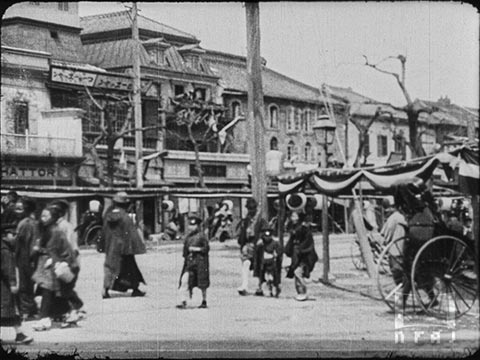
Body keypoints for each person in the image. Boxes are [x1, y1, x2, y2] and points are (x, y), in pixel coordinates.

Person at [31, 205, 79, 331]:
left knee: (48, 291)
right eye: (42, 215)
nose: (43, 218)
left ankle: (44, 318)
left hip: (56, 264)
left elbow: (56, 250)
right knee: (56, 292)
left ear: (53, 218)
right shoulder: (46, 229)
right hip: (50, 265)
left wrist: (51, 259)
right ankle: (70, 313)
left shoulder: (55, 231)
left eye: (46, 216)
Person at [102, 192, 146, 299]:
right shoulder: (125, 217)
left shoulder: (107, 216)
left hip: (111, 247)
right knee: (131, 269)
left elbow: (104, 232)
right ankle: (135, 288)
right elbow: (131, 234)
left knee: (110, 268)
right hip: (124, 248)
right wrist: (136, 248)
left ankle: (105, 289)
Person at [49, 199, 85, 325]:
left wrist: (68, 264)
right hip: (62, 261)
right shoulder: (56, 226)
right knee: (62, 288)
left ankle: (73, 310)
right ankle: (70, 309)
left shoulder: (65, 226)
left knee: (64, 289)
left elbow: (72, 247)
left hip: (68, 262)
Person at [1, 226, 34, 344]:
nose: (15, 237)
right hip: (4, 288)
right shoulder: (4, 251)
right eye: (12, 234)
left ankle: (19, 334)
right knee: (10, 311)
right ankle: (19, 334)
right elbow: (8, 269)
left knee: (7, 312)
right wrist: (12, 284)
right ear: (4, 235)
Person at [236, 197, 268, 296]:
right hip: (248, 244)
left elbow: (267, 232)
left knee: (259, 266)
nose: (251, 211)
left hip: (258, 245)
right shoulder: (245, 221)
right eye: (249, 209)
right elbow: (241, 234)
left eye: (253, 208)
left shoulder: (261, 220)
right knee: (245, 264)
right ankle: (244, 286)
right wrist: (242, 244)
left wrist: (262, 239)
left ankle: (260, 287)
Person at [13, 197, 39, 321]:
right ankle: (31, 309)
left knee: (24, 286)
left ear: (26, 210)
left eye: (20, 209)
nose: (16, 211)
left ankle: (26, 311)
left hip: (26, 259)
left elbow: (31, 243)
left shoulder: (27, 224)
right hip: (24, 258)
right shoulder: (26, 222)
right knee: (26, 285)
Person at [176, 216, 210, 309]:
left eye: (194, 225)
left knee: (202, 283)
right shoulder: (188, 237)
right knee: (184, 280)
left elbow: (206, 248)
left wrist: (196, 249)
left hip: (200, 262)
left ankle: (204, 300)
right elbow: (185, 251)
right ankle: (183, 300)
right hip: (189, 263)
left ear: (198, 226)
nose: (191, 227)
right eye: (190, 225)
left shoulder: (202, 236)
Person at [285, 211, 318, 301]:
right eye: (292, 216)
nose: (293, 218)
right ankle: (299, 292)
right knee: (296, 273)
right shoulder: (293, 229)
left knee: (298, 273)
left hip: (305, 256)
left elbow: (308, 244)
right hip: (296, 256)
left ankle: (303, 292)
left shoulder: (305, 230)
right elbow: (291, 243)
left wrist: (300, 249)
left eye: (295, 216)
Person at [256, 227, 282, 297]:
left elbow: (279, 252)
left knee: (273, 277)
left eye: (269, 236)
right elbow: (257, 253)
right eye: (265, 236)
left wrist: (276, 254)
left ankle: (275, 288)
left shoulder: (275, 243)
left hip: (273, 262)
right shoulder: (261, 243)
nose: (267, 238)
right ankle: (266, 288)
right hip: (264, 263)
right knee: (266, 277)